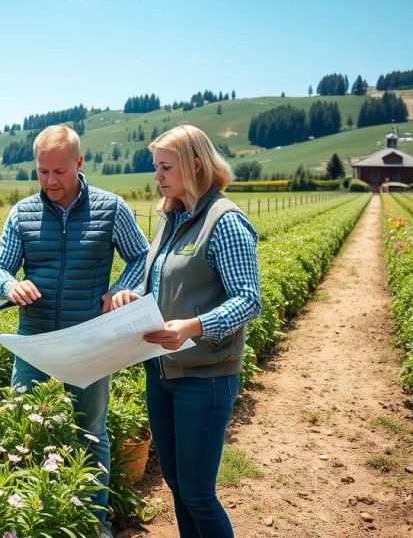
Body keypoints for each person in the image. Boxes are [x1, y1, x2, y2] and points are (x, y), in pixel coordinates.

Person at [0, 124, 149, 536]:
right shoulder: (22, 213)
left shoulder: (110, 209)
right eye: (43, 172)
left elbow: (141, 258)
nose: (50, 181)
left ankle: (94, 525)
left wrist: (122, 289)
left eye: (59, 172)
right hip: (35, 342)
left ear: (78, 163)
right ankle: (23, 522)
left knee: (90, 433)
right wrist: (10, 284)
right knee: (21, 428)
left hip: (89, 341)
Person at [110, 123, 260, 538]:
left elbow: (249, 299)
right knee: (177, 487)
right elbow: (157, 281)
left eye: (165, 167)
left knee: (198, 493)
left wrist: (195, 326)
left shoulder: (223, 221)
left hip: (204, 377)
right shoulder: (170, 217)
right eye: (155, 167)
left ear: (195, 166)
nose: (156, 176)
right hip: (161, 373)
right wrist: (129, 296)